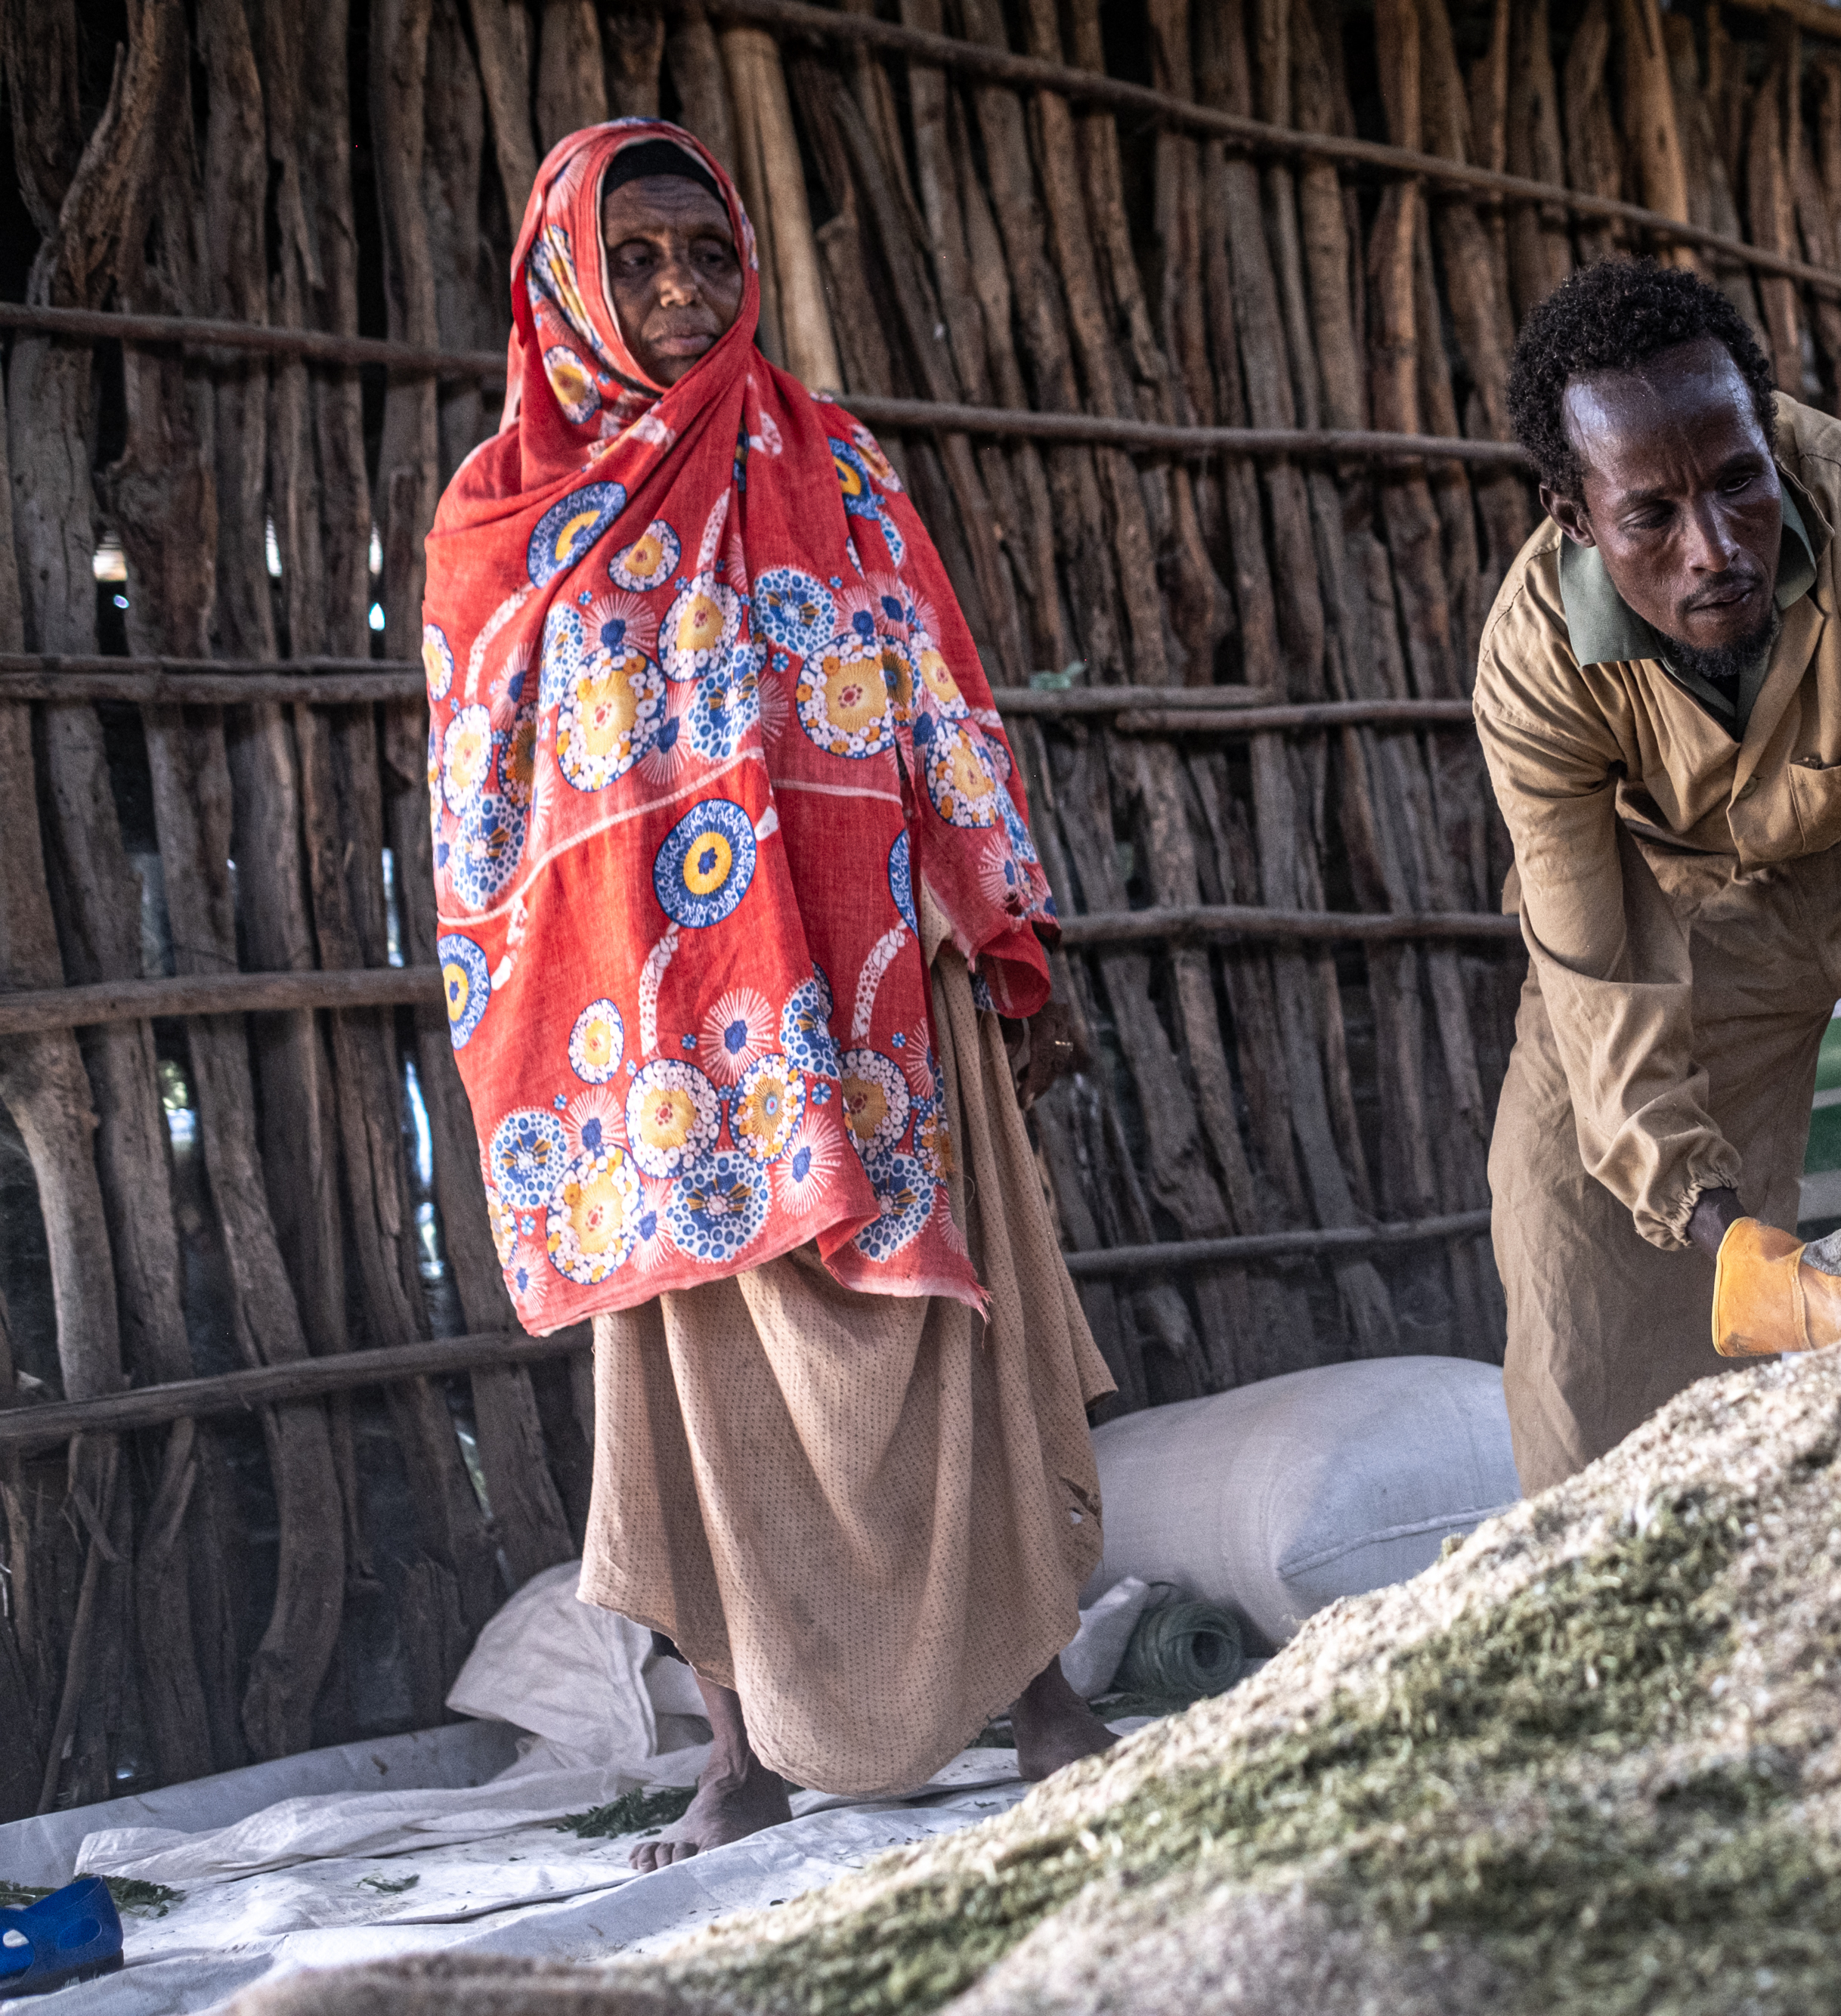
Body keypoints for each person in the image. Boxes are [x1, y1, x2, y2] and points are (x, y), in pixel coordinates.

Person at [422, 122, 1117, 1869]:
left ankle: (1037, 1691)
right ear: (563, 279)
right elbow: (482, 810)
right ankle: (738, 1749)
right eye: (636, 258)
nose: (676, 291)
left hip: (883, 970)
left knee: (962, 1328)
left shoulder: (834, 459)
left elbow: (940, 695)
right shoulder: (500, 519)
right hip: (653, 1030)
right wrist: (551, 1030)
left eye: (703, 255)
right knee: (697, 1387)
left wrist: (1008, 925)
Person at [1476, 258, 1841, 1491]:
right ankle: (1627, 1567)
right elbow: (1594, 964)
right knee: (1570, 1228)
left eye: (1741, 483)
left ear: (1770, 435)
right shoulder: (1531, 666)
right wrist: (1716, 1226)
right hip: (1684, 902)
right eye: (1651, 515)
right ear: (1573, 515)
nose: (1715, 548)